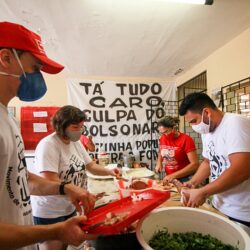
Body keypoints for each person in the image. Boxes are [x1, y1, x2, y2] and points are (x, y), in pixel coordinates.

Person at [0, 21, 96, 249]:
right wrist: (56, 231)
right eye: (34, 68)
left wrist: (65, 188)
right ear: (5, 58)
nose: (38, 78)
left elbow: (21, 179)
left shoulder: (7, 118)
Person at [31, 105, 120, 250]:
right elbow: (49, 179)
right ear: (61, 126)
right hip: (51, 212)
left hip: (69, 207)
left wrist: (110, 171)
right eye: (75, 127)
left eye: (81, 126)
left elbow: (90, 166)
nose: (80, 131)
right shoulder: (49, 145)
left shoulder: (76, 143)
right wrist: (78, 191)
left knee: (66, 246)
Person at [179, 92, 250, 227]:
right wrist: (193, 182)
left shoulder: (235, 123)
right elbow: (208, 162)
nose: (194, 127)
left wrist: (203, 192)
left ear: (206, 112)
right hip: (220, 204)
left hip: (242, 211)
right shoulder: (207, 131)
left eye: (194, 121)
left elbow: (241, 170)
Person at [155, 116, 199, 184]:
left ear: (173, 128)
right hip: (170, 177)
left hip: (186, 178)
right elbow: (161, 150)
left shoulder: (186, 140)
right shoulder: (163, 138)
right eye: (162, 133)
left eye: (166, 131)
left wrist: (173, 176)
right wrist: (159, 162)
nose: (164, 135)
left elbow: (195, 164)